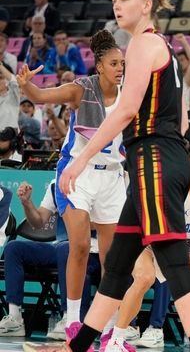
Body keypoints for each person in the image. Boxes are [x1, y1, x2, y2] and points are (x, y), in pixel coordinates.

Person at [32, 0, 190, 352]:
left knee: (176, 265)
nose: (117, 4)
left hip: (154, 160)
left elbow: (128, 110)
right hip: (158, 157)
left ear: (146, 5)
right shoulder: (161, 47)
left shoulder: (143, 44)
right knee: (116, 266)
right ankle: (76, 346)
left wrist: (79, 160)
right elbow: (180, 122)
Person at [16, 29, 127, 344]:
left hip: (113, 178)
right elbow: (41, 97)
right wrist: (27, 84)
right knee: (78, 247)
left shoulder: (130, 93)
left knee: (112, 259)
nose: (121, 68)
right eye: (115, 63)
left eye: (123, 63)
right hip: (78, 174)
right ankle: (73, 322)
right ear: (100, 66)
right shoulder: (82, 89)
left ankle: (109, 330)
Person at [102, 146, 190, 352]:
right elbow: (156, 231)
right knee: (145, 277)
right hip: (143, 241)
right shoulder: (179, 190)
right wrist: (184, 256)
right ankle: (115, 340)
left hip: (173, 251)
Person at [0, 181, 100, 338]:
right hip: (60, 246)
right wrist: (27, 203)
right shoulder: (57, 183)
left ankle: (70, 318)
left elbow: (108, 222)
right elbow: (38, 221)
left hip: (93, 250)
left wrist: (74, 219)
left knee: (65, 248)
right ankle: (15, 318)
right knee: (13, 248)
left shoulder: (99, 179)